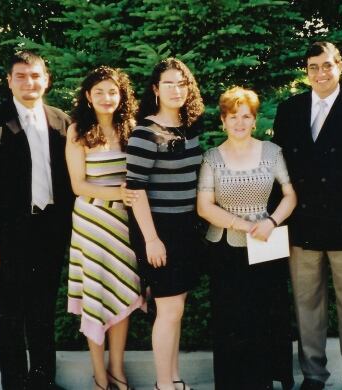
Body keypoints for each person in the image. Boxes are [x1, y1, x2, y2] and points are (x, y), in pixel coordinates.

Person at [272, 42, 342, 390]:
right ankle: (313, 375)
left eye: (326, 66)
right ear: (305, 71)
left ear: (340, 67)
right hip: (301, 228)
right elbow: (280, 172)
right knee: (308, 308)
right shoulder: (289, 110)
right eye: (312, 67)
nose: (320, 74)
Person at [0, 51, 73, 390]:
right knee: (11, 317)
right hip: (7, 237)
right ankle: (13, 384)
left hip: (50, 232)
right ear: (9, 81)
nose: (30, 82)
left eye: (35, 75)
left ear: (47, 79)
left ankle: (43, 381)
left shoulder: (62, 122)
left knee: (42, 315)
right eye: (21, 76)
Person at [196, 87, 297, 390]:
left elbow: (290, 195)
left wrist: (272, 221)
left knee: (266, 315)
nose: (239, 123)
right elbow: (204, 207)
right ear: (223, 121)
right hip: (226, 249)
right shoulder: (212, 157)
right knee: (231, 320)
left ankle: (264, 381)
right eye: (232, 117)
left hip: (266, 243)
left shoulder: (271, 151)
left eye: (245, 116)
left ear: (254, 120)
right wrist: (242, 223)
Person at [125, 58, 204, 390]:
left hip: (187, 229)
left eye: (181, 83)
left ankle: (173, 379)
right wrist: (152, 240)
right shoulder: (145, 132)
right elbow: (136, 189)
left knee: (176, 309)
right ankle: (163, 386)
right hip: (159, 231)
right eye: (168, 83)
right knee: (168, 310)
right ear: (156, 90)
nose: (176, 89)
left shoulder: (191, 129)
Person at [65, 66, 142, 390]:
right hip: (92, 224)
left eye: (112, 91)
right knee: (96, 298)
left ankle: (118, 373)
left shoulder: (132, 129)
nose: (107, 98)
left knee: (122, 295)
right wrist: (117, 193)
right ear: (88, 96)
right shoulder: (77, 131)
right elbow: (78, 185)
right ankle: (99, 377)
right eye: (99, 92)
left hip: (124, 225)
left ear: (121, 95)